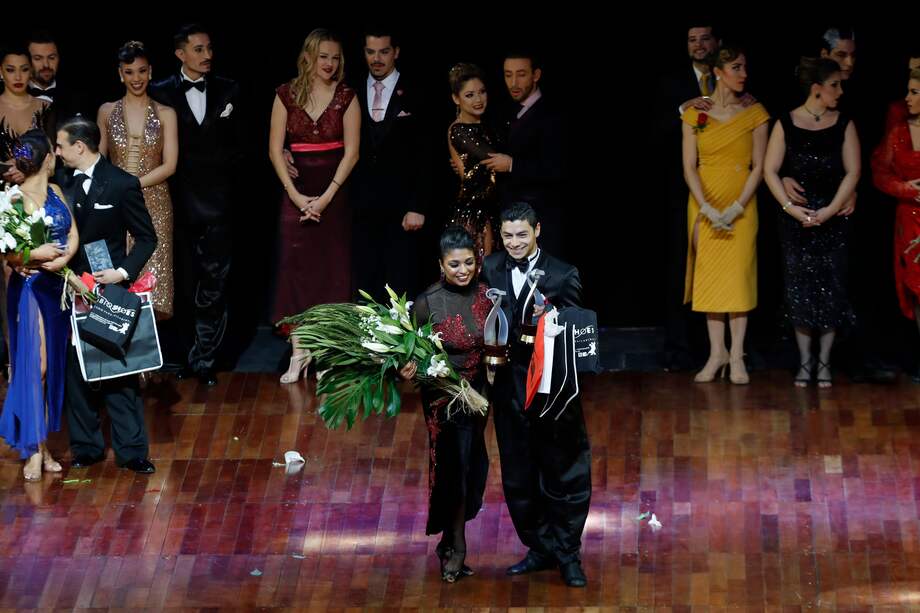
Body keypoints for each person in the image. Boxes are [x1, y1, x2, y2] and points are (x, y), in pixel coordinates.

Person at [480, 202, 591, 588]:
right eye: (507, 235)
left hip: (551, 392)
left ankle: (568, 554)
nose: (513, 242)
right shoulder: (490, 267)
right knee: (518, 475)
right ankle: (541, 547)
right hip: (508, 392)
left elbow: (579, 334)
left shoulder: (562, 274)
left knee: (563, 473)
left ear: (537, 230)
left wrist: (553, 324)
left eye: (521, 235)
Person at [55, 116, 157, 474]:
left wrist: (122, 273)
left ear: (79, 146)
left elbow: (147, 238)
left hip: (107, 289)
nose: (57, 152)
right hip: (68, 287)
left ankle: (132, 451)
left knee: (119, 371)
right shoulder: (60, 182)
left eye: (61, 145)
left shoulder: (121, 183)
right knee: (76, 371)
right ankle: (86, 447)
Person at [149, 24, 243, 387]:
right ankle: (183, 356)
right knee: (184, 283)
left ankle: (205, 359)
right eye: (199, 49)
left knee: (214, 284)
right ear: (180, 53)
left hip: (220, 205)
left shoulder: (229, 89)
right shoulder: (159, 92)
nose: (207, 55)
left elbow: (240, 146)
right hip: (176, 204)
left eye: (209, 48)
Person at [268, 28, 359, 384]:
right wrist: (295, 196)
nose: (329, 63)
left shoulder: (347, 96)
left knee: (332, 275)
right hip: (296, 195)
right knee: (296, 275)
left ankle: (327, 355)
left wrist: (326, 197)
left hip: (333, 199)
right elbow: (274, 150)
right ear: (308, 57)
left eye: (335, 57)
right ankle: (299, 353)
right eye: (323, 56)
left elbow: (352, 153)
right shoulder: (285, 94)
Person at [763, 57, 860, 388]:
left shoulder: (844, 123)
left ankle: (825, 362)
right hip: (797, 221)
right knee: (800, 290)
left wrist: (830, 210)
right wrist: (791, 208)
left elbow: (853, 171)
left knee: (832, 288)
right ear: (817, 89)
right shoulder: (787, 122)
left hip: (834, 218)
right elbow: (770, 170)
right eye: (834, 85)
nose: (840, 91)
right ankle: (806, 361)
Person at [401, 225, 490, 583]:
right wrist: (407, 368)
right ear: (441, 264)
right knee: (453, 469)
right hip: (442, 398)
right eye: (454, 264)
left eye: (469, 262)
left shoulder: (486, 295)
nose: (463, 270)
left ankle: (449, 540)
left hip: (478, 395)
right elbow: (410, 352)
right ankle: (456, 545)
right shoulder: (427, 301)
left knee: (472, 466)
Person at [681, 45, 769, 385]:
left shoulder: (755, 113)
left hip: (741, 207)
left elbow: (758, 166)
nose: (743, 74)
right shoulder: (695, 113)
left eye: (744, 67)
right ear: (718, 72)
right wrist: (705, 206)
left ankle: (737, 356)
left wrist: (736, 207)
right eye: (736, 67)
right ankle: (717, 353)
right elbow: (689, 166)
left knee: (738, 278)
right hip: (704, 206)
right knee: (711, 279)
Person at [0, 129, 78, 480]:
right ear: (47, 158)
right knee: (37, 368)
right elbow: (10, 254)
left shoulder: (57, 191)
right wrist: (37, 253)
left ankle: (42, 447)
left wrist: (63, 259)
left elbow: (73, 233)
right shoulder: (16, 200)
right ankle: (32, 450)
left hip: (56, 288)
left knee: (50, 368)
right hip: (31, 289)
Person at [350, 27, 431, 301]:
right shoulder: (350, 88)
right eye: (370, 52)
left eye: (383, 52)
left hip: (402, 209)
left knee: (400, 283)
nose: (376, 59)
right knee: (364, 283)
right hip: (360, 207)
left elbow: (426, 153)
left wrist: (418, 205)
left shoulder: (417, 90)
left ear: (395, 52)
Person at [98, 41, 177, 320]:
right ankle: (118, 344)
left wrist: (131, 185)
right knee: (117, 278)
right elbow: (99, 161)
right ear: (120, 74)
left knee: (152, 282)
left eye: (142, 71)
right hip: (116, 207)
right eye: (129, 72)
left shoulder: (166, 113)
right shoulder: (107, 111)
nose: (136, 78)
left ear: (150, 72)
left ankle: (148, 349)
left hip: (155, 205)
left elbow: (170, 165)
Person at [872, 68, 920, 380]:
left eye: (914, 92)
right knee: (916, 288)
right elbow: (880, 172)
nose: (907, 98)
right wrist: (905, 189)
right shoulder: (900, 132)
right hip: (910, 220)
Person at [447, 63, 500, 261]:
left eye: (482, 92)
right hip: (475, 212)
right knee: (479, 270)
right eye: (469, 95)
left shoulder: (489, 125)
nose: (478, 99)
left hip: (494, 209)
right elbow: (493, 159)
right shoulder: (459, 130)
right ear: (456, 98)